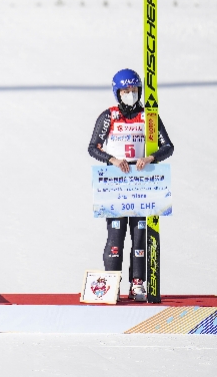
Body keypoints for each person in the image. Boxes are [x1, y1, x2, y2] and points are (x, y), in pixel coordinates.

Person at [87, 68, 173, 301]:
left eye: (134, 90)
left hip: (141, 184)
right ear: (117, 92)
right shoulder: (109, 116)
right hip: (116, 185)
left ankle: (138, 283)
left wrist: (150, 158)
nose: (130, 94)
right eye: (125, 91)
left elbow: (168, 146)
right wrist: (112, 159)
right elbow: (93, 146)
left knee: (139, 236)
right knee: (115, 237)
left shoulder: (149, 117)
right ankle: (111, 282)